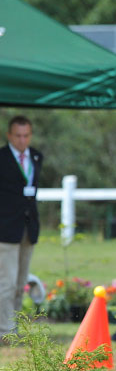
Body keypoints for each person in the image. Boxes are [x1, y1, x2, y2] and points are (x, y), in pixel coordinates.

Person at [0, 116, 43, 339]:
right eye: (18, 135)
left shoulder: (36, 156)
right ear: (9, 135)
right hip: (5, 228)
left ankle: (13, 327)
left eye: (26, 135)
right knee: (6, 282)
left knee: (19, 283)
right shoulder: (2, 157)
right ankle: (4, 331)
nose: (22, 140)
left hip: (28, 227)